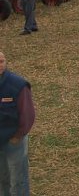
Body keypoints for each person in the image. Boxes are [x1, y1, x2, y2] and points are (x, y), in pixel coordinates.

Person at [0, 51, 35, 196]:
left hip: (14, 141)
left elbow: (28, 114)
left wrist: (18, 136)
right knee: (3, 180)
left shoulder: (18, 85)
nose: (0, 65)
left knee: (18, 181)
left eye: (2, 61)